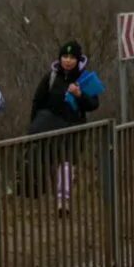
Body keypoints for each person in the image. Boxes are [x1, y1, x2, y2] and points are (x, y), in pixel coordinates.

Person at [28, 40, 102, 213]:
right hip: (50, 127)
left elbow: (93, 104)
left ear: (78, 59)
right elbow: (37, 102)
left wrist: (79, 95)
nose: (68, 61)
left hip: (74, 128)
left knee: (67, 164)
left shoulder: (85, 78)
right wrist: (34, 126)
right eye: (64, 56)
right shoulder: (51, 77)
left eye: (72, 57)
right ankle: (43, 195)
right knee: (48, 161)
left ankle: (63, 201)